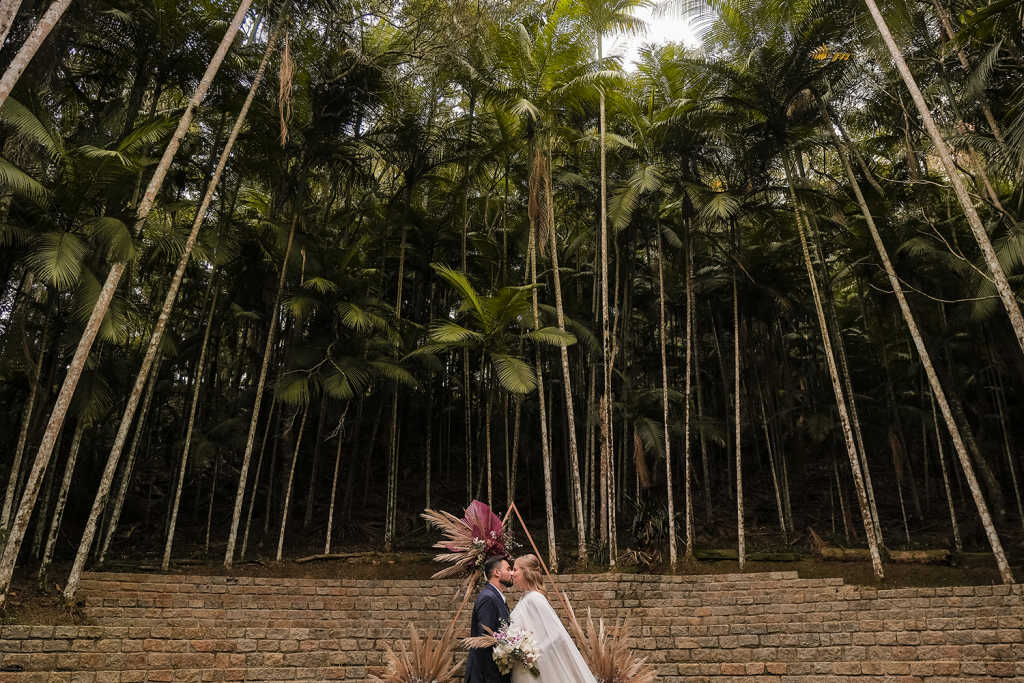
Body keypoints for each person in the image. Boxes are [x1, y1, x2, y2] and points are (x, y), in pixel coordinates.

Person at [509, 554, 596, 683]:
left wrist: (535, 653)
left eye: (515, 569)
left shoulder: (535, 598)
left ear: (526, 572)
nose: (511, 573)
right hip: (523, 667)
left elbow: (557, 634)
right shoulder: (524, 598)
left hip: (535, 666)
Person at [465, 554, 513, 683]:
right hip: (486, 677)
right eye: (508, 569)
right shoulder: (488, 598)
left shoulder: (497, 598)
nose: (512, 573)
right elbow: (485, 642)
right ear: (496, 572)